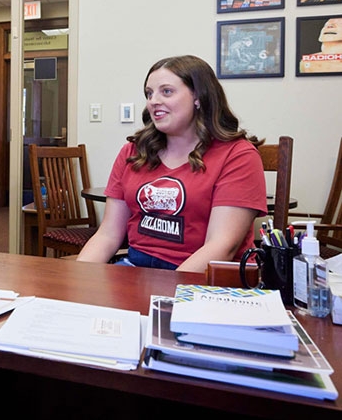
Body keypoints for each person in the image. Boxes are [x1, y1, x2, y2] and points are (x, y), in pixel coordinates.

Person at [76, 55, 266, 272]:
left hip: (203, 280)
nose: (153, 101)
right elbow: (108, 235)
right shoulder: (133, 151)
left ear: (198, 97)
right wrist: (79, 279)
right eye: (149, 93)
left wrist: (168, 298)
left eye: (166, 91)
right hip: (137, 269)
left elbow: (222, 246)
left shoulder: (238, 155)